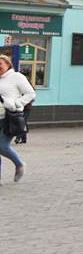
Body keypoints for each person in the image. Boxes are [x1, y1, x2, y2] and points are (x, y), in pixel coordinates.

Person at [0, 54, 34, 183]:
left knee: (2, 146)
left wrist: (17, 103)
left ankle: (19, 164)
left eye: (0, 64)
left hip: (9, 118)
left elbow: (31, 93)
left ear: (8, 64)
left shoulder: (16, 77)